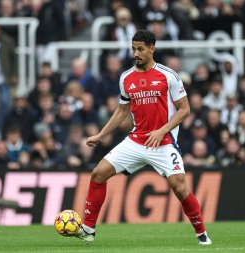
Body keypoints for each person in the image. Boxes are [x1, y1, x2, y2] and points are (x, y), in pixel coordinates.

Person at [74, 30, 212, 245]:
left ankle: (201, 233)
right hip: (137, 140)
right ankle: (88, 230)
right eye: (133, 49)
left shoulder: (168, 75)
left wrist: (162, 130)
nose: (136, 53)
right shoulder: (126, 78)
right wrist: (101, 135)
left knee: (180, 188)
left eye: (140, 49)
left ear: (152, 49)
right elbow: (121, 111)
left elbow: (185, 109)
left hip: (163, 142)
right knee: (98, 174)